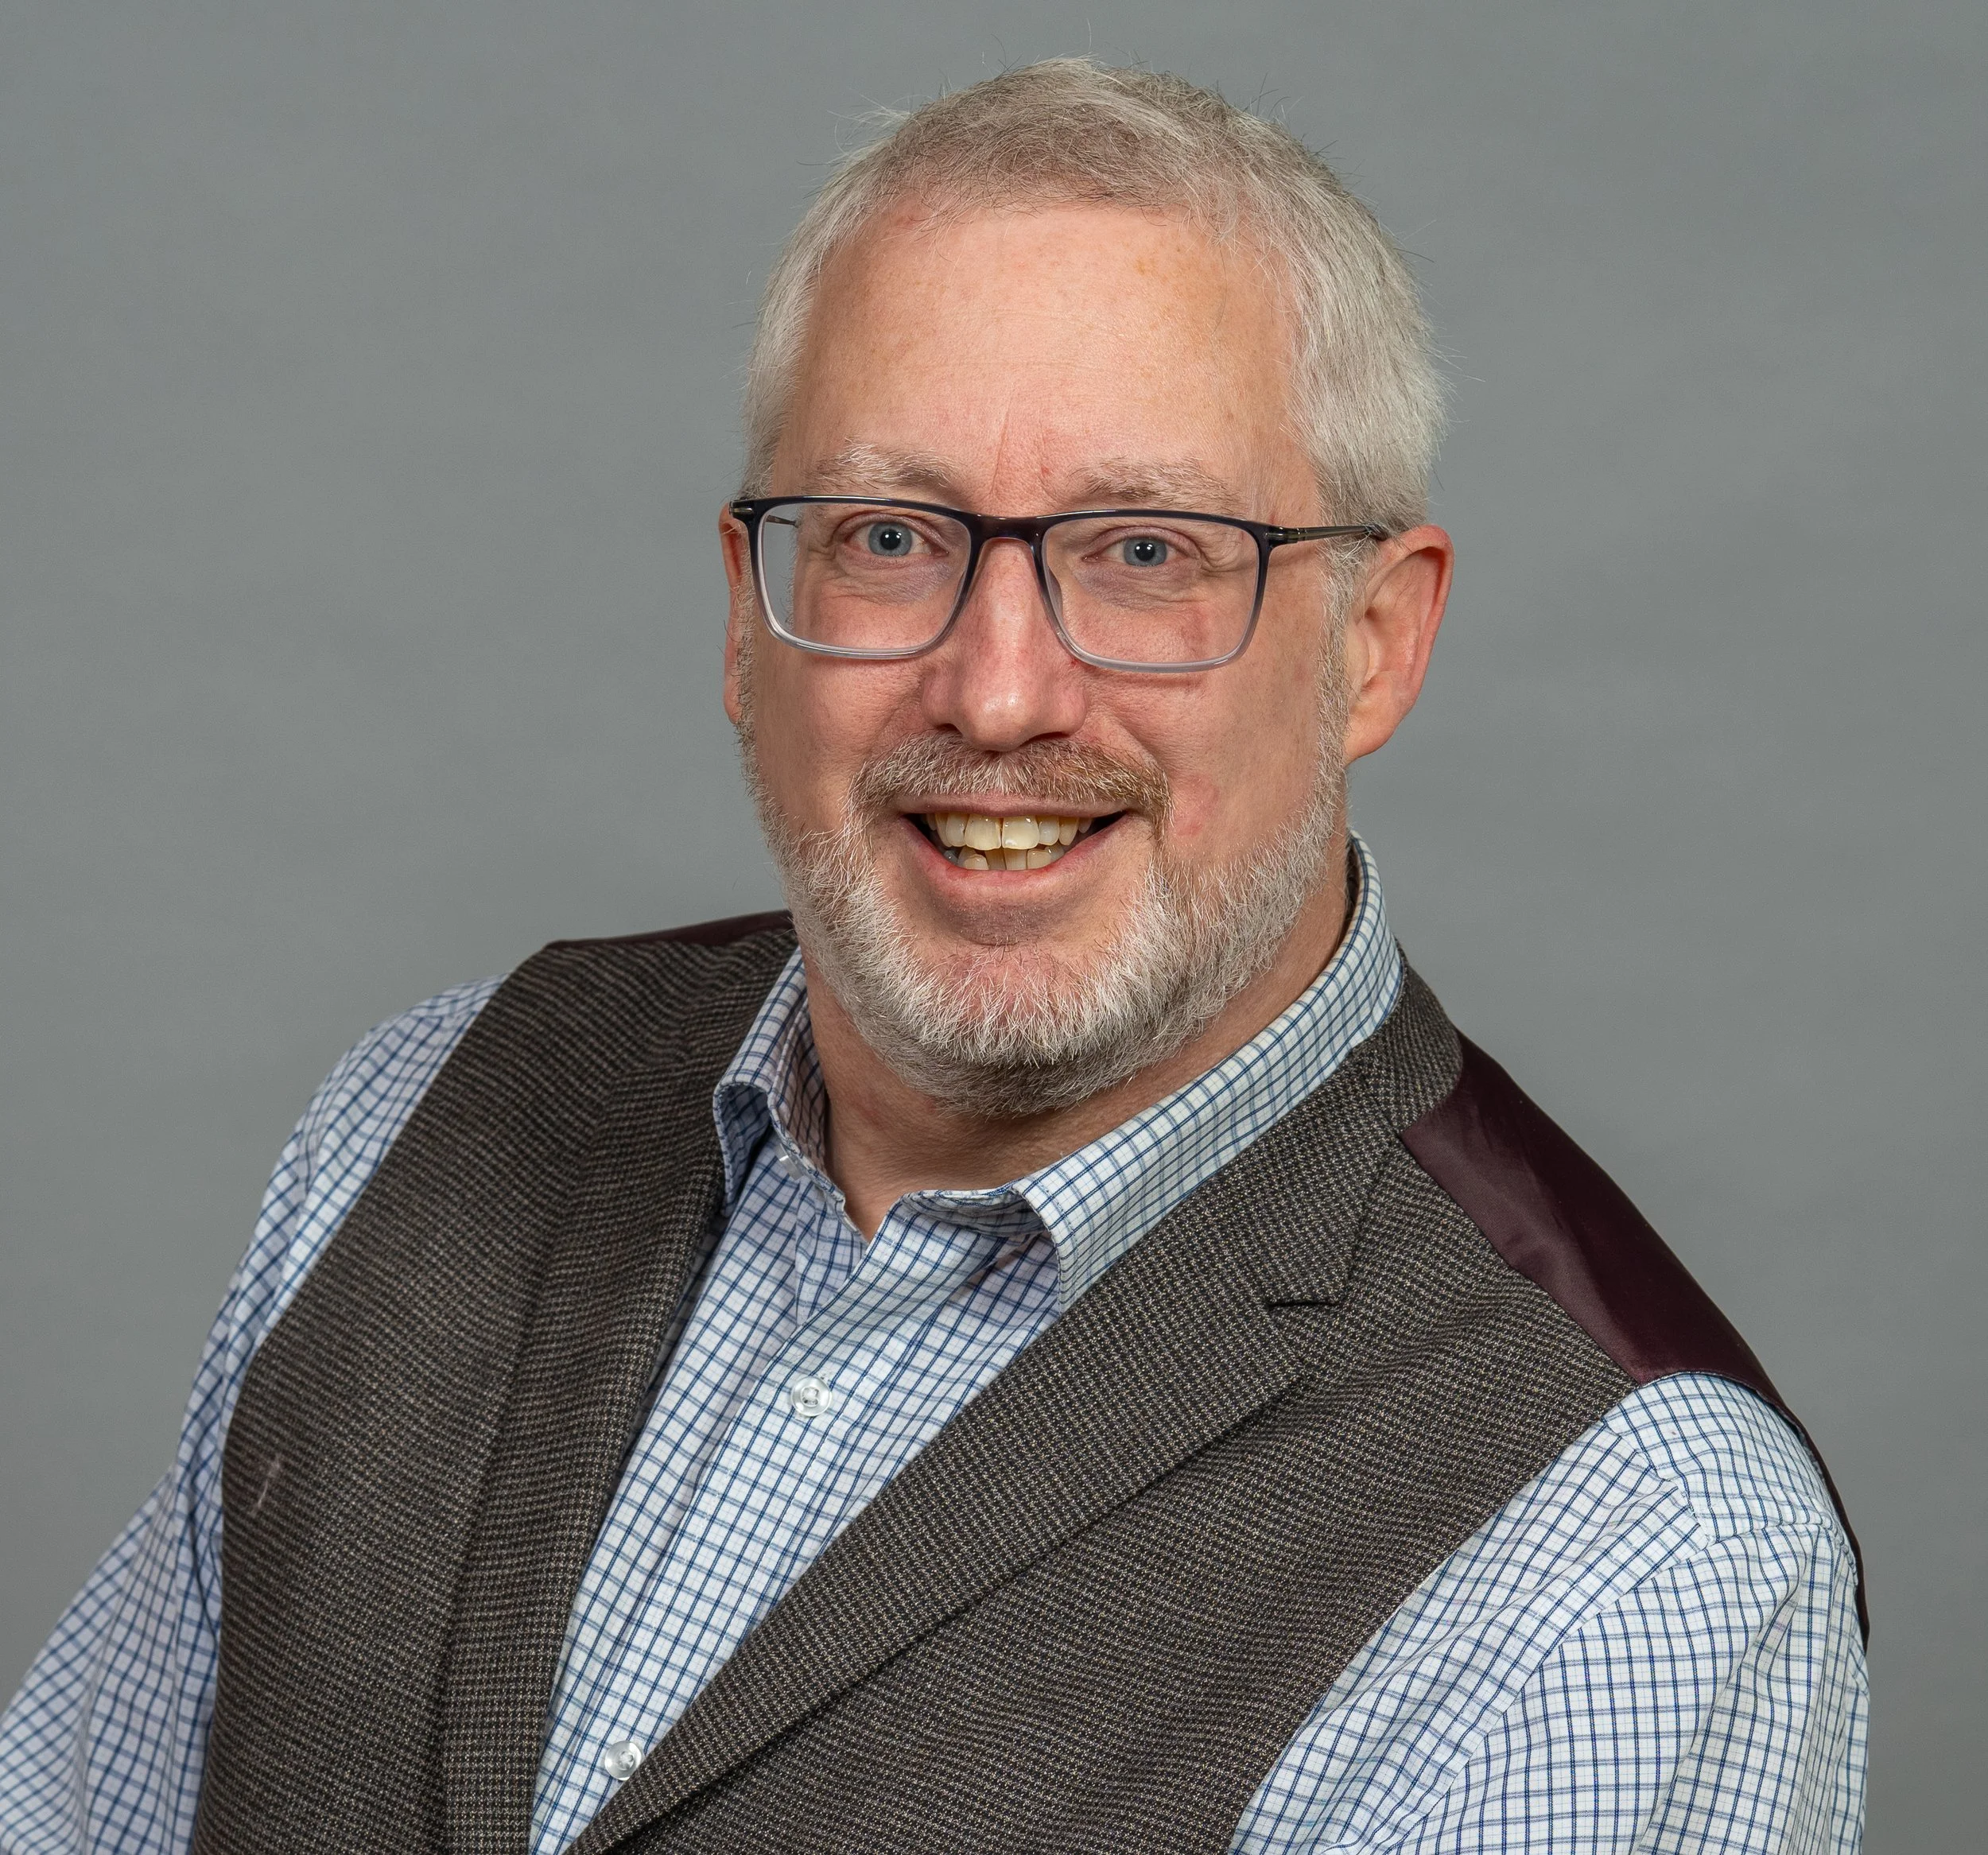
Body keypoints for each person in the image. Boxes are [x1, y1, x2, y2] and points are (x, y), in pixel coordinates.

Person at [0, 59, 1866, 1855]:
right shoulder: (422, 1114)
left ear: (1372, 642)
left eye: (1146, 551)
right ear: (747, 622)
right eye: (890, 537)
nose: (995, 690)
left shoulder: (1616, 1545)